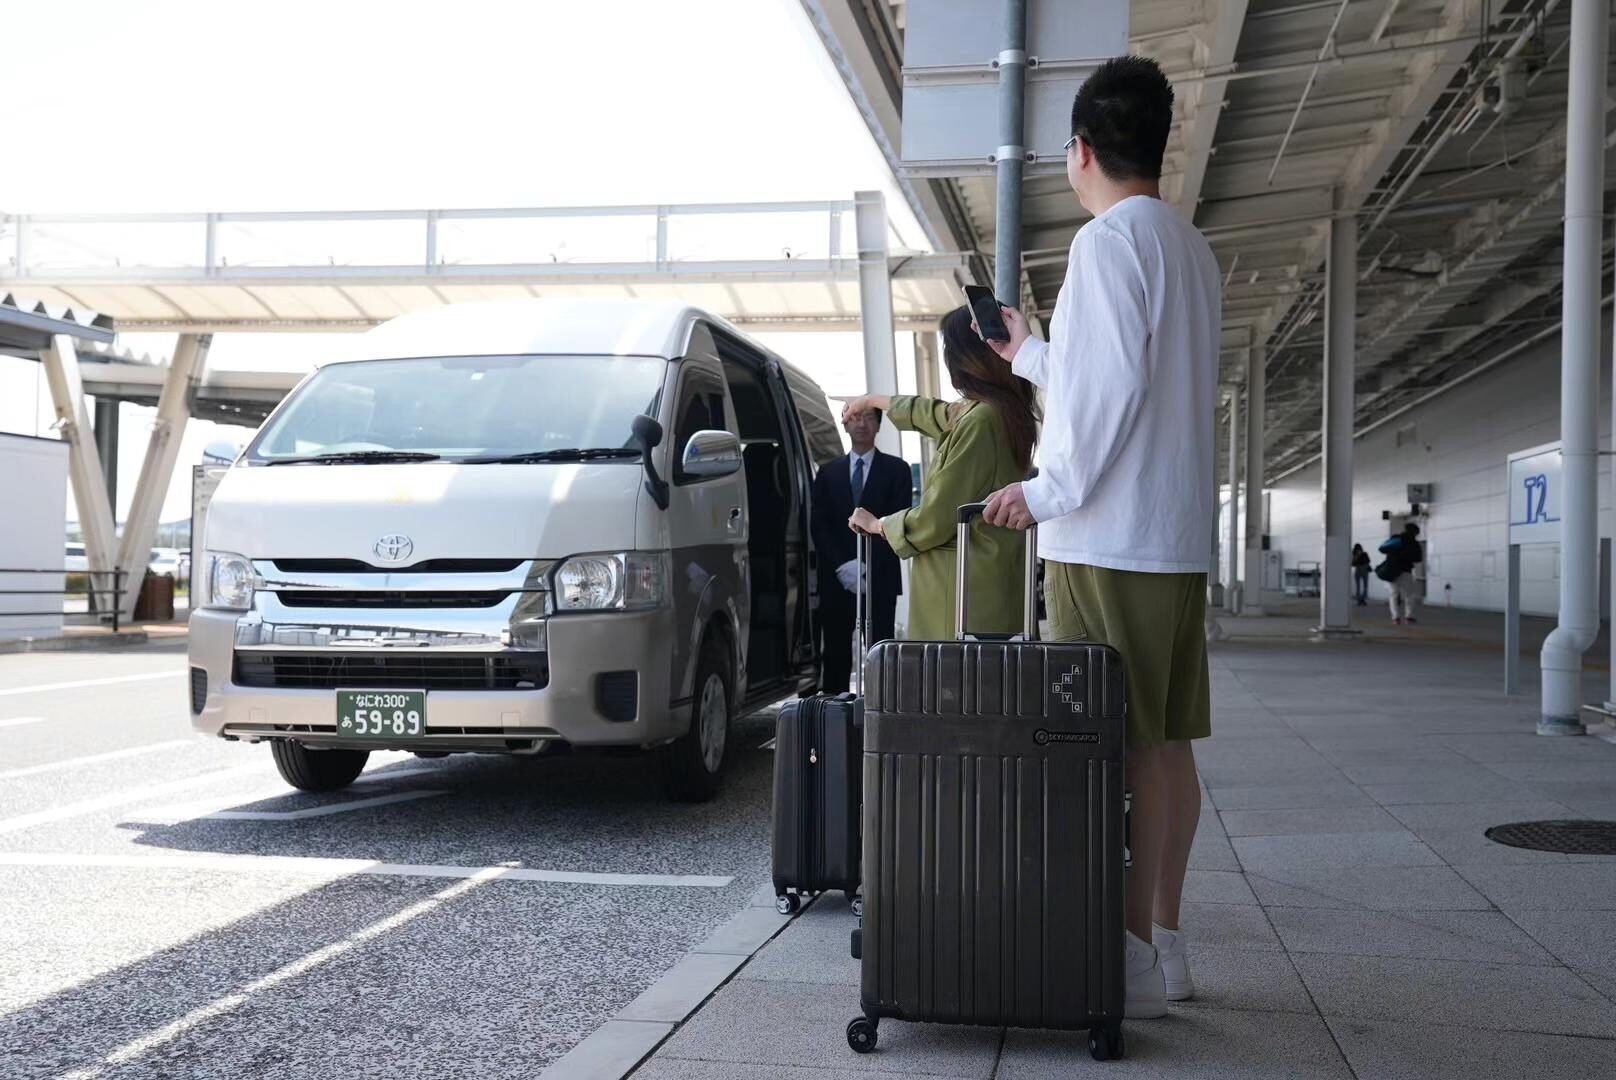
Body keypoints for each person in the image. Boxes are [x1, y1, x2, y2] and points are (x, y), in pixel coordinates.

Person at [978, 55, 1220, 1020]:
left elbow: (1109, 395)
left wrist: (1048, 489)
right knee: (1167, 749)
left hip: (1108, 537)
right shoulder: (1185, 247)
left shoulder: (1108, 245)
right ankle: (1167, 943)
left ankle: (1122, 958)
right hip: (1171, 536)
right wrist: (1029, 352)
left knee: (1115, 751)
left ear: (1079, 150)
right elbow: (1117, 377)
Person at [839, 305, 1041, 640]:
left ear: (963, 357)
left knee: (949, 687)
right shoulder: (1002, 411)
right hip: (991, 583)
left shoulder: (979, 421)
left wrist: (879, 525)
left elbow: (937, 515)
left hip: (958, 592)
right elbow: (936, 413)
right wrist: (872, 400)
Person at [808, 407, 910, 694]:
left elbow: (898, 520)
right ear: (846, 425)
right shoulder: (828, 472)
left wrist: (866, 565)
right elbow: (819, 524)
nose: (862, 424)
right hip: (837, 580)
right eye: (855, 418)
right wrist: (843, 566)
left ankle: (885, 715)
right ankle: (835, 722)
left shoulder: (897, 470)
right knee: (836, 655)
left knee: (882, 656)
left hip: (880, 578)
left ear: (878, 425)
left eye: (868, 418)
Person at [1377, 523, 1424, 625]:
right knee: (1410, 595)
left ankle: (1395, 618)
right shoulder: (1414, 543)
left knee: (1393, 594)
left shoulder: (1396, 539)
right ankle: (1408, 616)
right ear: (1415, 532)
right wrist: (1407, 555)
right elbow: (1418, 559)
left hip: (1391, 570)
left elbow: (1382, 548)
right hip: (1405, 571)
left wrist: (1395, 552)